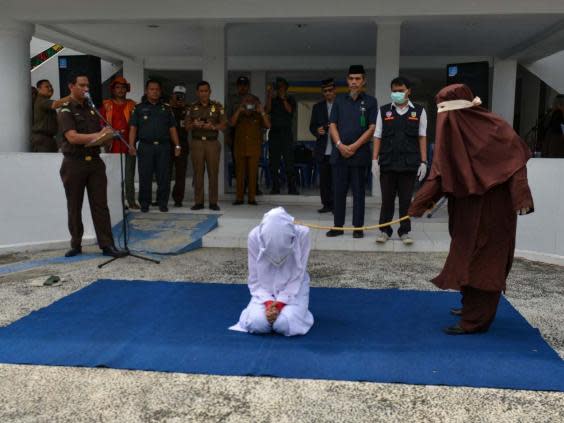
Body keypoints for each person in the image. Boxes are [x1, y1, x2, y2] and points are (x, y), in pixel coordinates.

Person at [408, 84, 534, 335]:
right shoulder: (456, 133)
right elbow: (441, 173)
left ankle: (476, 320)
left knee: (486, 264)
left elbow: (515, 161)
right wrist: (419, 204)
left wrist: (521, 196)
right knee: (465, 258)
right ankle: (470, 306)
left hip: (493, 212)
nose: (444, 123)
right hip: (466, 211)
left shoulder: (497, 129)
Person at [57, 73, 126, 258]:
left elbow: (99, 133)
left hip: (94, 161)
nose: (86, 89)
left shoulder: (92, 109)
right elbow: (72, 137)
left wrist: (107, 136)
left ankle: (107, 245)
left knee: (100, 205)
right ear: (71, 86)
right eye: (81, 85)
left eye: (87, 85)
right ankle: (76, 244)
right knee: (74, 205)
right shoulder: (66, 110)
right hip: (74, 163)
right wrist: (98, 135)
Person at [230, 207, 314, 336]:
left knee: (283, 324)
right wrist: (269, 303)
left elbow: (298, 275)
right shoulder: (254, 236)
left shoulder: (303, 234)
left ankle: (301, 312)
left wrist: (280, 304)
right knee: (257, 324)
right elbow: (254, 279)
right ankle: (283, 312)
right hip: (264, 291)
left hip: (295, 290)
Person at [372, 77, 428, 245]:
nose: (397, 94)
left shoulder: (419, 111)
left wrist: (424, 162)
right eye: (394, 91)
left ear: (408, 91)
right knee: (387, 200)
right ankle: (385, 231)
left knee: (405, 200)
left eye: (401, 90)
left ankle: (404, 231)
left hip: (409, 163)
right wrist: (374, 159)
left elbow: (422, 136)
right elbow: (377, 135)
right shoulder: (383, 111)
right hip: (388, 163)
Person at [327, 65, 378, 239]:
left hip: (359, 155)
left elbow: (372, 128)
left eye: (358, 79)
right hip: (339, 154)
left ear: (363, 81)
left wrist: (354, 146)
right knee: (338, 192)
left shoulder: (371, 101)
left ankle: (358, 227)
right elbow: (332, 124)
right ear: (347, 80)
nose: (354, 82)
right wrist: (340, 145)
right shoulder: (339, 101)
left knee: (359, 193)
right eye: (351, 78)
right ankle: (338, 226)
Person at [129, 79, 181, 213]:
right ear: (146, 91)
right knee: (145, 176)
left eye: (157, 89)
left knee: (164, 176)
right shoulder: (139, 108)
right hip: (146, 147)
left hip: (164, 147)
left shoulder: (167, 108)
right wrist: (131, 145)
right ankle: (144, 203)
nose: (154, 92)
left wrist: (177, 145)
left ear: (160, 91)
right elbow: (133, 128)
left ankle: (162, 202)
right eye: (151, 89)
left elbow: (172, 128)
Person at [185, 81, 228, 211]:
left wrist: (213, 126)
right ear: (197, 93)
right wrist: (194, 124)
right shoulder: (191, 107)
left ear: (210, 92)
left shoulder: (218, 107)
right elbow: (186, 127)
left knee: (213, 173)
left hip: (212, 143)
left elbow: (224, 125)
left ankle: (213, 202)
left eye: (206, 91)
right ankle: (198, 202)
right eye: (201, 91)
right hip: (197, 142)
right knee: (198, 173)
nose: (204, 93)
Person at [100, 76, 138, 209]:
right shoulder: (106, 105)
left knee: (129, 175)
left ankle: (132, 201)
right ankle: (119, 202)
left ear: (127, 89)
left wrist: (133, 143)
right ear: (113, 89)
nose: (120, 90)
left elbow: (137, 125)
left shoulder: (133, 105)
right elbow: (101, 124)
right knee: (116, 176)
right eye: (117, 87)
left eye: (123, 87)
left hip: (129, 144)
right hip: (113, 145)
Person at [230, 94, 270, 205]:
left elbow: (268, 125)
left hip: (254, 149)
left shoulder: (258, 115)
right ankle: (239, 198)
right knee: (239, 174)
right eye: (246, 101)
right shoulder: (240, 114)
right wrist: (239, 109)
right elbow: (232, 123)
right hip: (240, 148)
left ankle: (251, 198)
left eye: (251, 101)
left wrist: (261, 111)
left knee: (253, 174)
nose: (249, 104)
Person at [266, 77, 299, 195]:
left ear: (285, 87)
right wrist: (270, 96)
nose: (279, 89)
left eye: (281, 86)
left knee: (289, 161)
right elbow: (268, 110)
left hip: (286, 133)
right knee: (274, 162)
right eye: (278, 87)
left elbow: (290, 111)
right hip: (274, 133)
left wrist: (283, 98)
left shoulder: (290, 99)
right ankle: (275, 187)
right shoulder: (273, 100)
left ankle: (292, 187)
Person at [309, 78, 337, 213]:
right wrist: (317, 131)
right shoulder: (317, 107)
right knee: (324, 180)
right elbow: (312, 126)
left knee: (337, 180)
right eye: (325, 91)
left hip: (337, 149)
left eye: (330, 90)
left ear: (334, 91)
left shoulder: (341, 105)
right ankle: (326, 204)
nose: (328, 93)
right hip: (322, 149)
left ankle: (336, 205)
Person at [32, 79, 71, 152]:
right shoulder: (41, 100)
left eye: (51, 86)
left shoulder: (45, 101)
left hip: (48, 139)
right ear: (39, 89)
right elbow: (55, 104)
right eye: (47, 87)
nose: (50, 88)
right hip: (42, 140)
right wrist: (72, 97)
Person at [169, 85, 190, 207]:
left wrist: (186, 110)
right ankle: (163, 198)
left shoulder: (188, 109)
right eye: (177, 94)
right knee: (165, 173)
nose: (179, 97)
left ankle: (178, 199)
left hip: (182, 145)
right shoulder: (166, 109)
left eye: (181, 95)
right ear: (172, 95)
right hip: (167, 145)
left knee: (180, 174)